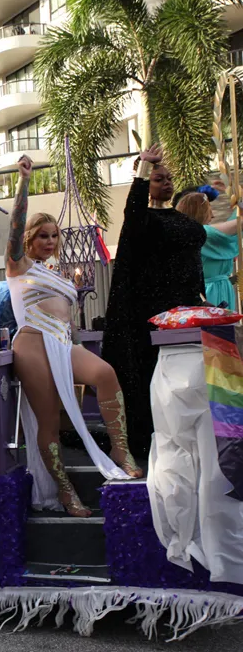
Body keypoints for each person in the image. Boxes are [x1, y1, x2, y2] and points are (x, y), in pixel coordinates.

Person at [7, 154, 141, 518]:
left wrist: (78, 344)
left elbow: (70, 322)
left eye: (54, 236)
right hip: (32, 342)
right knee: (49, 419)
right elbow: (15, 227)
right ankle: (65, 491)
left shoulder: (58, 275)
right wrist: (24, 182)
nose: (50, 241)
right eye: (43, 236)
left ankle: (120, 449)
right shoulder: (18, 265)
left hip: (64, 342)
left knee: (105, 374)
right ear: (30, 239)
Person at [102, 145, 207, 458]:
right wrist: (143, 170)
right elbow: (133, 210)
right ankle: (154, 439)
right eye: (159, 179)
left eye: (169, 179)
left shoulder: (182, 220)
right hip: (153, 311)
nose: (167, 183)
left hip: (188, 307)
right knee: (156, 377)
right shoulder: (142, 220)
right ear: (147, 184)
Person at [176, 192, 240, 310]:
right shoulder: (201, 233)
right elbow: (237, 224)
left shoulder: (192, 233)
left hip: (217, 289)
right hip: (210, 292)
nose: (213, 215)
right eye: (209, 210)